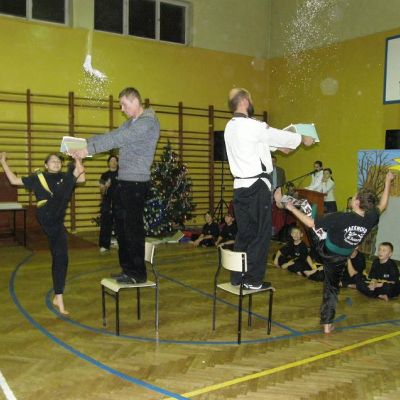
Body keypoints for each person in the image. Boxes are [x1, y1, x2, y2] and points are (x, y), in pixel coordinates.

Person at [276, 171, 394, 333]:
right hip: (342, 256)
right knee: (331, 288)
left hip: (324, 248)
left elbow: (310, 223)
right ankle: (327, 323)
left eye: (354, 196)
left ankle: (283, 202)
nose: (352, 197)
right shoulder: (371, 217)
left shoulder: (341, 217)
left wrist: (290, 208)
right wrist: (388, 181)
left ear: (357, 203)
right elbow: (383, 204)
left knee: (307, 207)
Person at [224, 88, 315, 290]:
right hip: (256, 187)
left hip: (240, 188)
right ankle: (253, 280)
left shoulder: (231, 127)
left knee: (245, 234)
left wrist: (286, 142)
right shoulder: (252, 125)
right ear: (245, 101)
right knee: (261, 234)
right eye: (251, 99)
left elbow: (278, 146)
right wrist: (302, 138)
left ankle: (238, 277)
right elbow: (278, 137)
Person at [71, 87, 160, 284]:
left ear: (135, 101)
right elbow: (110, 135)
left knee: (133, 229)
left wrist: (88, 150)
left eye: (124, 104)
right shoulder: (131, 122)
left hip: (136, 183)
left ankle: (138, 274)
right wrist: (82, 144)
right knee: (121, 227)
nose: (122, 109)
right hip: (124, 181)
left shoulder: (147, 122)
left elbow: (119, 139)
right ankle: (127, 269)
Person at [0, 152, 85, 315]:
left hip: (57, 219)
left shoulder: (64, 177)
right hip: (46, 213)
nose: (56, 163)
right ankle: (58, 297)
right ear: (46, 165)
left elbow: (82, 179)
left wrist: (78, 160)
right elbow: (14, 181)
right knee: (68, 181)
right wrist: (3, 162)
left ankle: (58, 296)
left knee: (61, 256)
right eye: (52, 161)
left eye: (58, 161)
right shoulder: (38, 177)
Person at [98, 155, 119, 253]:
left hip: (119, 202)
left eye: (115, 161)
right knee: (106, 223)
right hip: (108, 202)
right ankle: (104, 245)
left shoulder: (122, 174)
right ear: (108, 163)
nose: (113, 162)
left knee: (121, 223)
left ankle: (121, 243)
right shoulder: (104, 175)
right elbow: (101, 191)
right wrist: (106, 186)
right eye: (111, 161)